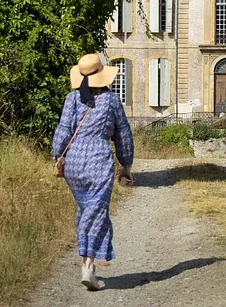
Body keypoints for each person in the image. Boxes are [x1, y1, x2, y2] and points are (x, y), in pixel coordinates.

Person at [52, 53, 134, 291]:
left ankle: (88, 263)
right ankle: (88, 266)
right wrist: (126, 164)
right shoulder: (111, 101)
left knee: (88, 209)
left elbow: (62, 131)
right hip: (98, 160)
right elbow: (123, 135)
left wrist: (58, 157)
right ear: (102, 75)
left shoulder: (71, 99)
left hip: (74, 164)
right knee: (96, 212)